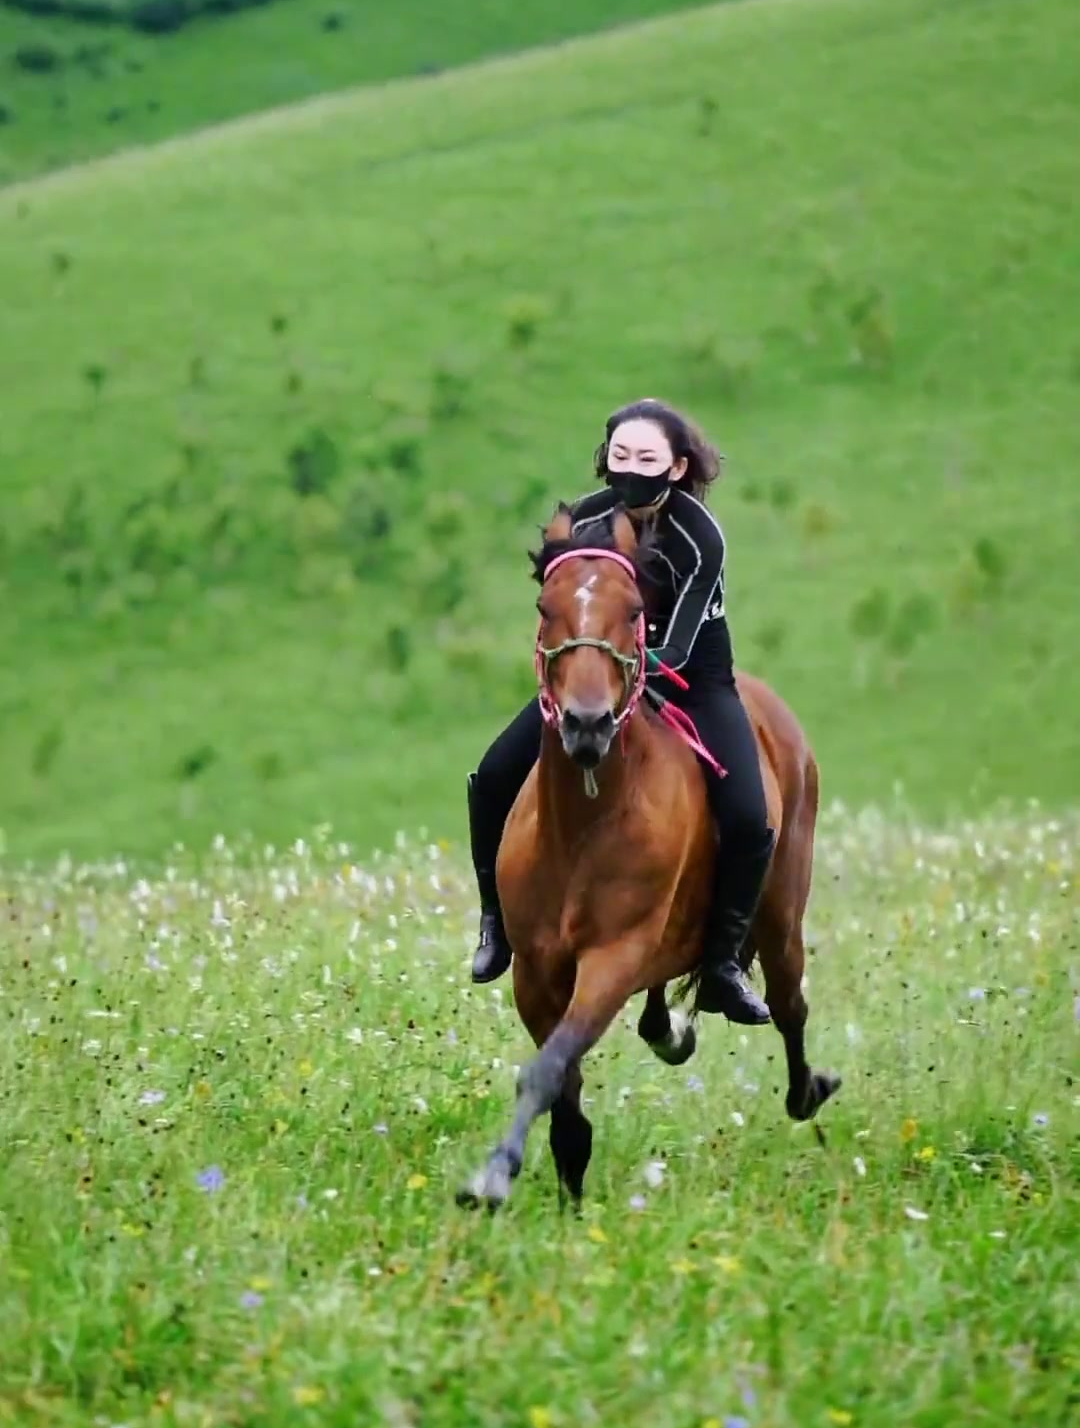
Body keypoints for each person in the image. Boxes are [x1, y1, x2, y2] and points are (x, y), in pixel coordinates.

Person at [465, 397, 774, 1024]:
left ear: (679, 466)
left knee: (748, 815)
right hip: (601, 674)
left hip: (692, 675)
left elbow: (682, 644)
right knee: (493, 775)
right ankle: (495, 921)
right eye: (621, 454)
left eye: (648, 457)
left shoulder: (700, 538)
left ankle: (722, 965)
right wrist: (586, 670)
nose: (631, 466)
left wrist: (626, 671)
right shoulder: (586, 520)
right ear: (606, 457)